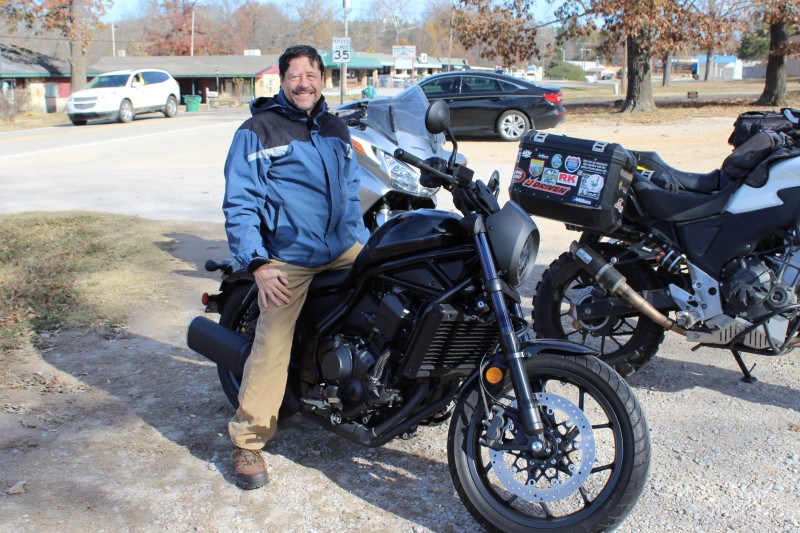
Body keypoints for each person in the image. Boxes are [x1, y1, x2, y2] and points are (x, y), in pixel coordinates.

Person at [221, 44, 369, 490]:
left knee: (400, 279)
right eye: (294, 76)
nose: (303, 83)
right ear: (282, 81)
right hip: (290, 255)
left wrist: (363, 240)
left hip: (342, 246)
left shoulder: (336, 128)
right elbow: (240, 203)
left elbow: (351, 188)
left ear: (323, 79)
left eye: (311, 75)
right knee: (273, 341)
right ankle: (248, 440)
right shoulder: (258, 130)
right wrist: (259, 264)